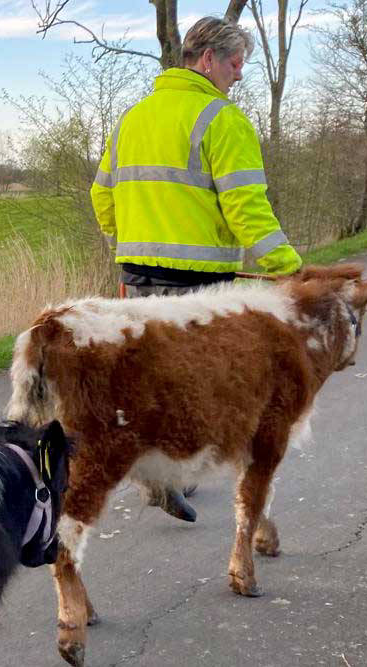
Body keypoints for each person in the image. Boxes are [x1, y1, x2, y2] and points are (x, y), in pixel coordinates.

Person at [90, 16, 302, 523]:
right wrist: (289, 267)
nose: (240, 75)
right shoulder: (222, 119)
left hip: (137, 274)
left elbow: (101, 192)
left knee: (149, 375)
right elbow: (247, 207)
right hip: (197, 282)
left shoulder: (133, 118)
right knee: (197, 386)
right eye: (236, 64)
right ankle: (162, 470)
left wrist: (124, 234)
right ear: (207, 60)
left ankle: (158, 471)